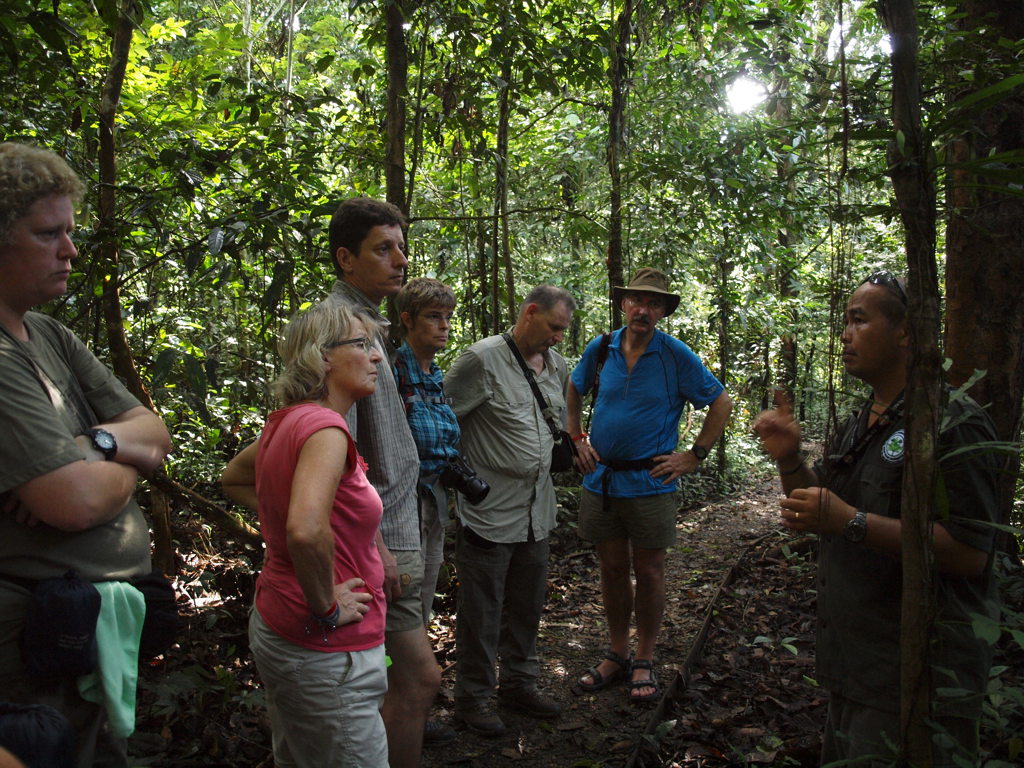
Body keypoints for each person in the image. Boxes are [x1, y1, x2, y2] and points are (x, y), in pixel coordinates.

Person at [753, 271, 1000, 765]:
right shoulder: (864, 420)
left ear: (906, 332)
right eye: (846, 320)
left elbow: (971, 553)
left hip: (919, 675)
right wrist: (788, 458)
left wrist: (851, 522)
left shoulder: (952, 421)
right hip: (856, 667)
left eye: (859, 320)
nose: (845, 333)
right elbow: (817, 503)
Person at [0, 142, 173, 767]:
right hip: (29, 642)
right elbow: (71, 501)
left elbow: (155, 430)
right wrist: (126, 457)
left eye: (70, 232)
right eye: (48, 234)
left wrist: (95, 445)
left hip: (90, 632)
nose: (70, 250)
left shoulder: (50, 335)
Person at [222, 301, 389, 768]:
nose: (376, 356)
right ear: (323, 356)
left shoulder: (287, 420)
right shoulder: (326, 430)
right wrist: (327, 607)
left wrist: (300, 521)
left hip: (278, 622)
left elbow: (234, 477)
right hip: (324, 648)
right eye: (362, 344)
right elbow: (304, 528)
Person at [568, 267, 732, 703]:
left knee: (651, 570)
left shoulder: (675, 354)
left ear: (662, 311)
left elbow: (720, 400)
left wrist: (694, 455)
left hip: (651, 483)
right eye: (637, 300)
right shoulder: (601, 348)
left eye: (654, 303)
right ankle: (617, 652)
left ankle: (644, 656)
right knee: (612, 568)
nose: (644, 309)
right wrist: (576, 437)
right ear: (624, 303)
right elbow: (573, 387)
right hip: (601, 480)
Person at [324, 198, 451, 756]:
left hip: (400, 527)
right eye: (383, 249)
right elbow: (332, 446)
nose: (400, 260)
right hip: (381, 540)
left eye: (401, 247)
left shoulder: (370, 326)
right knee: (418, 679)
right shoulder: (342, 327)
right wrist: (372, 542)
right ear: (346, 259)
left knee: (392, 679)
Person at [443, 285, 576, 736]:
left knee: (527, 606)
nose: (560, 337)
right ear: (530, 313)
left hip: (537, 511)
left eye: (564, 330)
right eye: (555, 327)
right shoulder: (480, 360)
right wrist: (458, 479)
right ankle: (474, 699)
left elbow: (555, 426)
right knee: (482, 612)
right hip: (489, 512)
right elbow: (440, 424)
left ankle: (520, 684)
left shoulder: (556, 365)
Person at [392, 277, 461, 624]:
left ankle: (413, 671)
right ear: (407, 319)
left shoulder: (435, 374)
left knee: (425, 589)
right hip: (403, 503)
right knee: (404, 593)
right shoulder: (392, 372)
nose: (444, 325)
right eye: (434, 316)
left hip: (435, 498)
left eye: (447, 316)